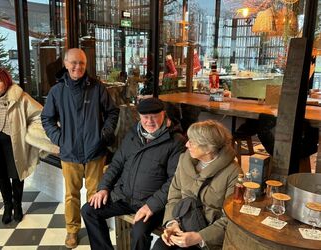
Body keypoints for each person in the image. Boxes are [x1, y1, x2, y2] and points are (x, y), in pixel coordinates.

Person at [81, 97, 186, 250]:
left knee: (139, 232)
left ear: (163, 114)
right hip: (124, 196)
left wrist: (151, 205)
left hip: (151, 204)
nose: (149, 121)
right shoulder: (133, 135)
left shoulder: (176, 141)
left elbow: (174, 181)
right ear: (139, 117)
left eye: (154, 116)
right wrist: (103, 188)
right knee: (89, 211)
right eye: (145, 117)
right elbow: (116, 164)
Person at [41, 48, 120, 249]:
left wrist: (104, 136)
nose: (78, 67)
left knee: (95, 194)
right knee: (71, 194)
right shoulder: (57, 91)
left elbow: (112, 112)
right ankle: (72, 230)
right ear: (66, 64)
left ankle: (95, 230)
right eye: (74, 63)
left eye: (82, 64)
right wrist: (60, 139)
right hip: (70, 153)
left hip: (95, 151)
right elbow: (47, 118)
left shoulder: (97, 88)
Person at [0, 68, 58, 224]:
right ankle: (7, 206)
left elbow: (39, 114)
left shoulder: (20, 98)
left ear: (6, 82)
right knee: (1, 175)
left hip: (14, 144)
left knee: (17, 174)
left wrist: (30, 133)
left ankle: (17, 205)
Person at [153, 120, 242, 250]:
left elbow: (231, 217)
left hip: (207, 237)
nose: (186, 144)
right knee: (159, 247)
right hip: (181, 225)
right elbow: (174, 195)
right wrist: (172, 223)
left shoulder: (234, 172)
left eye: (192, 142)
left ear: (208, 148)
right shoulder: (184, 159)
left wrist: (199, 237)